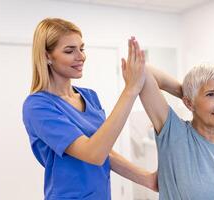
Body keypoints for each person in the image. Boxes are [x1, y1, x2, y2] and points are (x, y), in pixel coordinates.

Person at [22, 18, 157, 200]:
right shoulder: (38, 106)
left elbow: (105, 151)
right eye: (70, 51)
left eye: (82, 48)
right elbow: (94, 153)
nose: (81, 56)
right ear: (47, 56)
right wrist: (130, 90)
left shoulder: (89, 96)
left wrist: (148, 179)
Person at [133, 53, 214, 199]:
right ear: (188, 103)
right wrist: (186, 94)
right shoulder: (174, 134)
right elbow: (142, 70)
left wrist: (194, 96)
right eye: (211, 94)